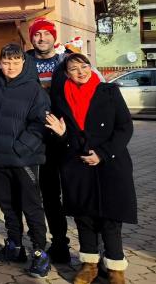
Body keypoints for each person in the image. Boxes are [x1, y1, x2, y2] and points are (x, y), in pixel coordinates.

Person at [46, 53, 136, 284]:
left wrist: (103, 154)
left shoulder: (109, 92)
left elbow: (124, 127)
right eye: (74, 68)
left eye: (84, 66)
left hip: (110, 163)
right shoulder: (60, 98)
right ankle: (89, 265)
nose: (80, 71)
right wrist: (61, 134)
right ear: (66, 74)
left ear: (90, 67)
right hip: (77, 164)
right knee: (84, 216)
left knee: (110, 217)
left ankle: (115, 267)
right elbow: (62, 133)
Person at [0, 44, 51, 278]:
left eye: (15, 62)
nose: (10, 67)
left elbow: (40, 125)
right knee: (7, 205)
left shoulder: (35, 90)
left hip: (23, 159)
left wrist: (20, 148)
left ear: (23, 63)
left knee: (31, 206)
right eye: (6, 62)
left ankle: (39, 253)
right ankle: (14, 245)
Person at [26, 17, 71, 263]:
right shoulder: (25, 62)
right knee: (48, 194)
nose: (41, 38)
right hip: (35, 138)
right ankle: (58, 244)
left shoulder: (66, 62)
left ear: (54, 36)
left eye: (46, 34)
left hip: (64, 137)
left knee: (73, 192)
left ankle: (92, 250)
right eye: (36, 34)